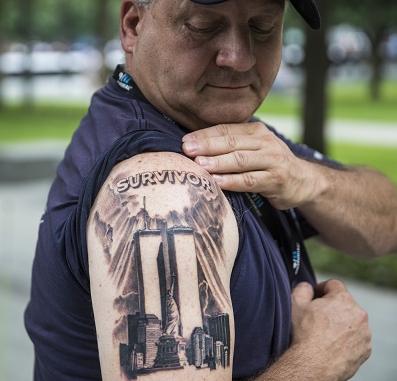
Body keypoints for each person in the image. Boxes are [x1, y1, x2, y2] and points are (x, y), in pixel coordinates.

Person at [24, 0, 397, 380]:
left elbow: (390, 221)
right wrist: (322, 360)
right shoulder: (162, 187)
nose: (239, 58)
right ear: (133, 26)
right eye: (202, 26)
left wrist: (308, 181)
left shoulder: (220, 129)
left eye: (263, 27)